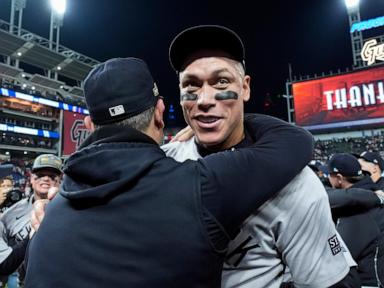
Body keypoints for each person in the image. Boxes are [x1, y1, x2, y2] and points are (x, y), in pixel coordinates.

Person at [25, 57, 313, 288]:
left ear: (88, 125)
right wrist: (218, 115)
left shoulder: (50, 214)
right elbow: (295, 142)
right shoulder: (199, 185)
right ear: (160, 112)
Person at [165, 25, 355, 288]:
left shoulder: (296, 185)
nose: (204, 99)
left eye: (221, 81)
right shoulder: (161, 163)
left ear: (245, 88)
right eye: (191, 85)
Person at [0, 155, 62, 286]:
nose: (46, 178)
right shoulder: (11, 213)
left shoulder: (71, 210)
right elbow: (5, 258)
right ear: (31, 179)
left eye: (52, 176)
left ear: (59, 181)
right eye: (40, 175)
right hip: (20, 280)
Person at [327, 153, 384, 287]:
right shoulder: (371, 193)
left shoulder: (355, 210)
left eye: (329, 174)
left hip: (368, 282)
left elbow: (341, 258)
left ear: (339, 178)